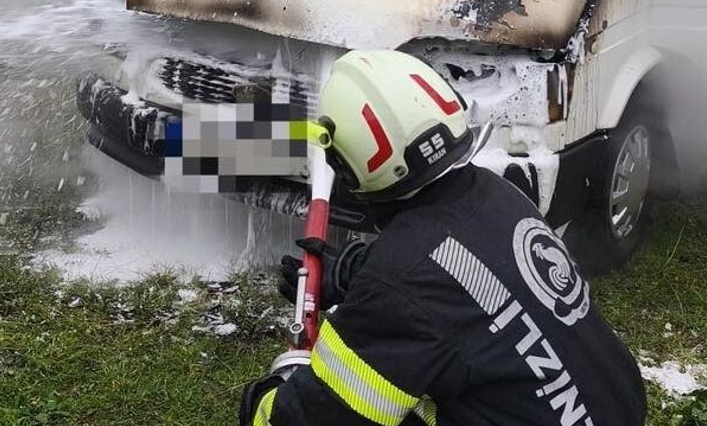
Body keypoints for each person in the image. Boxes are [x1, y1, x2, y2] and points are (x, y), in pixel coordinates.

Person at [239, 50, 647, 426]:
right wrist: (352, 275)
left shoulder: (401, 288)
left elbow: (310, 418)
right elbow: (453, 278)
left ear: (348, 169)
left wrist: (278, 384)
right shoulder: (492, 194)